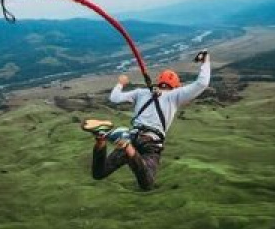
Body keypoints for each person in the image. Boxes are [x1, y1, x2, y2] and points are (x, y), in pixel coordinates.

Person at [81, 50, 211, 191]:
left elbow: (114, 98)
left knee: (99, 173)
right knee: (147, 183)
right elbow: (202, 83)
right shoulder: (175, 95)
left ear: (159, 81)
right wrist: (206, 61)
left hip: (132, 135)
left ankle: (101, 139)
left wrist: (120, 83)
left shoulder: (141, 93)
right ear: (175, 86)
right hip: (151, 143)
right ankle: (127, 147)